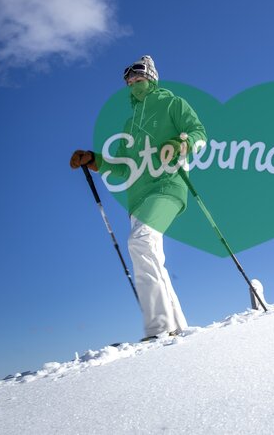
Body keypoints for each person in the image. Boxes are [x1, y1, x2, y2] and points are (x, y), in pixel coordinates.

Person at [70, 55, 207, 340]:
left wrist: (181, 143)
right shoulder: (129, 125)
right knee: (151, 255)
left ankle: (158, 328)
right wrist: (94, 160)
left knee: (141, 242)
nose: (134, 82)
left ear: (152, 77)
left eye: (139, 76)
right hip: (138, 198)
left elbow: (199, 133)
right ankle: (178, 328)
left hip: (168, 186)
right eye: (129, 79)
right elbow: (122, 166)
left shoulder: (173, 104)